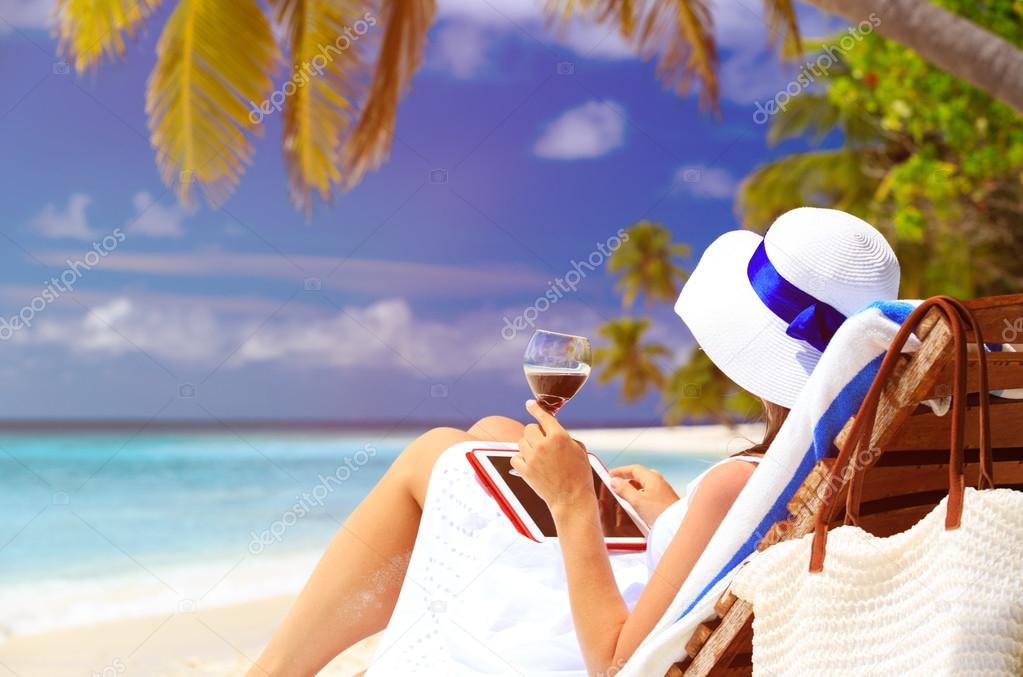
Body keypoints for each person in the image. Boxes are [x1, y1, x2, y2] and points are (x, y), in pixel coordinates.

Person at [250, 207, 901, 676]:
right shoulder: (863, 458)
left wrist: (571, 502)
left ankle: (274, 671)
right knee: (495, 433)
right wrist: (670, 515)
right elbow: (728, 553)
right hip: (667, 605)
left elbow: (614, 662)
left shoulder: (738, 484)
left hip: (590, 646)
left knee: (437, 450)